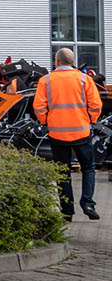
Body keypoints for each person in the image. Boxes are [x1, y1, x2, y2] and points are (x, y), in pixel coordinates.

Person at [34, 47, 103, 220]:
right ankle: (87, 203)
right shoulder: (84, 79)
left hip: (57, 134)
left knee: (63, 172)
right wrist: (91, 120)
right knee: (88, 168)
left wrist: (46, 122)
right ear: (73, 62)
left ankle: (67, 211)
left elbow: (39, 107)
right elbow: (96, 105)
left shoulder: (46, 81)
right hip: (82, 132)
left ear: (56, 62)